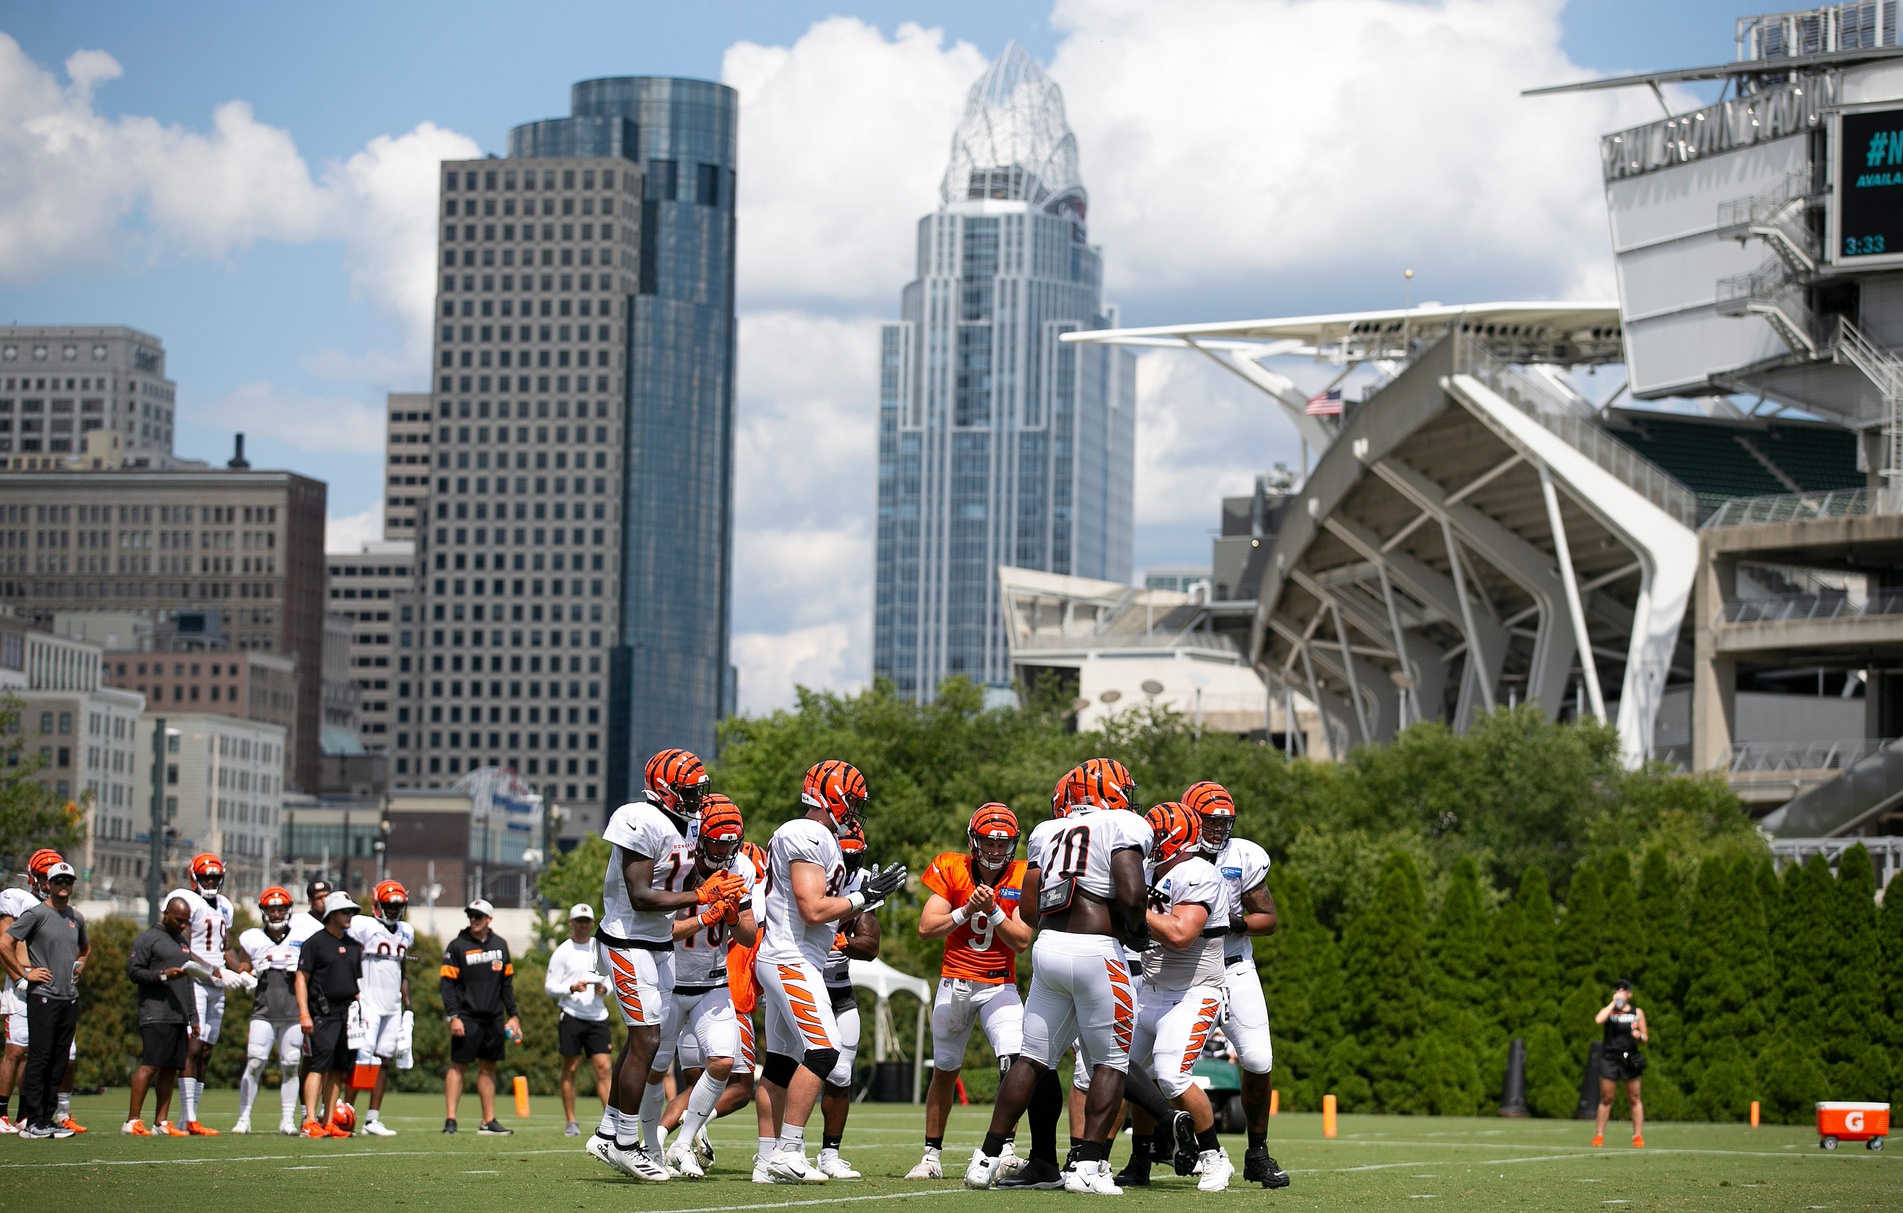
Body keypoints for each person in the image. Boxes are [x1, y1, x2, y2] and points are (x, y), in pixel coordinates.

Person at [965, 758, 1152, 1195]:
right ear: (1112, 791)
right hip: (1097, 952)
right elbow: (1131, 893)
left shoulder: (1048, 831)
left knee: (1031, 1058)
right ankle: (1087, 1166)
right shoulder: (1123, 823)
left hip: (1049, 950)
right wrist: (1136, 928)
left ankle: (987, 1158)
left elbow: (1028, 910)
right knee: (1110, 1061)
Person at [754, 760, 904, 1184]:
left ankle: (767, 1162)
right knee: (824, 1052)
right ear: (831, 797)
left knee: (782, 1063)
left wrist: (861, 898)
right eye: (852, 800)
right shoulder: (807, 832)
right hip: (790, 957)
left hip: (795, 957)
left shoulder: (821, 837)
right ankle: (788, 1151)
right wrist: (863, 898)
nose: (855, 810)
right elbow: (813, 908)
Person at [586, 748, 728, 1181]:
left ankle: (609, 1132)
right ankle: (627, 1145)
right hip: (628, 940)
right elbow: (641, 895)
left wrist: (714, 884)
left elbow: (683, 876)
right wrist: (699, 897)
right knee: (647, 1039)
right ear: (664, 789)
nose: (697, 798)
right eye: (690, 790)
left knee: (642, 1039)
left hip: (659, 942)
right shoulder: (638, 817)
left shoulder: (687, 821)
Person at [906, 803, 1032, 1181]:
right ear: (974, 840)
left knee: (1013, 1061)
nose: (995, 850)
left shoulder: (1025, 874)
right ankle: (931, 1156)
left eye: (1003, 843)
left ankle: (1006, 1151)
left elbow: (1022, 939)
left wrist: (993, 912)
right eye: (988, 842)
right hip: (955, 982)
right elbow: (927, 928)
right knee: (945, 1071)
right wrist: (965, 911)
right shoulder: (950, 866)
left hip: (999, 985)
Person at [1112, 803, 1232, 1191]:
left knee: (1170, 1074)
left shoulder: (1198, 872)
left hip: (1195, 991)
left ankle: (1214, 1157)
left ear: (1169, 839)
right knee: (1124, 1071)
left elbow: (1181, 934)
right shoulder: (1151, 872)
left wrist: (1133, 909)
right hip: (1152, 989)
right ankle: (1140, 1159)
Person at [1183, 780, 1289, 1188]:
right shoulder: (1174, 850)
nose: (1217, 829)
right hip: (1185, 970)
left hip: (1233, 967)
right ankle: (1143, 1152)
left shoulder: (1242, 856)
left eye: (1224, 822)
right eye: (1209, 821)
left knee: (1259, 1061)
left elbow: (1269, 919)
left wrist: (1234, 922)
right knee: (1154, 1062)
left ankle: (1257, 1153)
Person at [646, 795, 756, 1177]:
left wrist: (730, 910)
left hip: (713, 982)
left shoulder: (741, 866)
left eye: (731, 843)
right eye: (717, 842)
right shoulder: (678, 863)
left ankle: (683, 1143)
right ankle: (644, 1144)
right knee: (654, 1069)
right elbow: (659, 930)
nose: (724, 851)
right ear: (698, 838)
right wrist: (706, 914)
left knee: (724, 1061)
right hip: (669, 980)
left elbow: (746, 934)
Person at [4, 860, 87, 1139]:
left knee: (59, 1059)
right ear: (48, 885)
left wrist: (80, 966)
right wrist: (23, 976)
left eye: (68, 881)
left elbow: (85, 949)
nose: (64, 886)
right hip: (43, 997)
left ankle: (47, 1119)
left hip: (68, 997)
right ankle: (33, 1119)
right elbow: (4, 943)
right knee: (40, 1058)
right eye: (58, 881)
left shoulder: (76, 917)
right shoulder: (36, 913)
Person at [164, 853, 244, 1135]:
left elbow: (227, 948)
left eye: (214, 877)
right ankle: (188, 1115)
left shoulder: (224, 905)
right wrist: (217, 971)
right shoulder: (187, 901)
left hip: (216, 984)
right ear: (194, 877)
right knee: (193, 1045)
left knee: (207, 1050)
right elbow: (184, 950)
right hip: (195, 980)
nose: (211, 881)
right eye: (206, 876)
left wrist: (242, 971)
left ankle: (190, 1117)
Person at [816, 820, 878, 1180]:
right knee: (790, 1067)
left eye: (857, 857)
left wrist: (844, 943)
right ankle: (779, 1149)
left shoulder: (861, 880)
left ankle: (829, 1154)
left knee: (840, 1072)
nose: (851, 865)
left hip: (838, 988)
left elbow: (870, 946)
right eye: (845, 856)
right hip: (800, 982)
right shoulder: (809, 868)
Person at [440, 898, 521, 1136]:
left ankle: (488, 1121)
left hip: (493, 1018)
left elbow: (507, 986)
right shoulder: (457, 946)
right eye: (470, 916)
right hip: (466, 1017)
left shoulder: (501, 945)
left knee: (489, 1068)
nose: (473, 920)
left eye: (478, 916)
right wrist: (453, 1016)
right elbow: (447, 985)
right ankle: (451, 1120)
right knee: (459, 1066)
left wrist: (513, 1016)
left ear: (489, 919)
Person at [234, 886, 304, 1135]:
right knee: (254, 1062)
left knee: (291, 1064)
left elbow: (313, 973)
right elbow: (243, 965)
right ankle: (244, 1118)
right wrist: (250, 973)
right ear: (264, 911)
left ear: (289, 910)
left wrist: (301, 968)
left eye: (281, 909)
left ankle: (287, 1120)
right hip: (263, 1009)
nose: (276, 914)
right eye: (272, 909)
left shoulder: (301, 937)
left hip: (293, 1011)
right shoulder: (253, 938)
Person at [125, 895, 198, 1135]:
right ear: (165, 913)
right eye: (178, 920)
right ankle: (132, 1121)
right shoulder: (148, 939)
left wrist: (193, 1017)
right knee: (151, 1065)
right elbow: (134, 972)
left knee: (170, 1069)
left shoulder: (182, 942)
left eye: (186, 921)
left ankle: (161, 1122)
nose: (182, 925)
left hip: (178, 1016)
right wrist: (163, 975)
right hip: (155, 1012)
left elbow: (188, 983)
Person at [346, 880, 413, 1136]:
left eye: (397, 906)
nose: (394, 910)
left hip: (392, 1005)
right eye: (389, 905)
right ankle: (347, 1114)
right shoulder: (363, 925)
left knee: (384, 1060)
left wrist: (408, 1008)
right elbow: (349, 957)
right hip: (368, 1002)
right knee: (363, 1060)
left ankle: (372, 1119)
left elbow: (403, 970)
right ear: (377, 904)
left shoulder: (406, 931)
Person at [0, 850, 60, 1133]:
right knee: (15, 1050)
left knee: (36, 1053)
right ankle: (0, 1113)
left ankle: (26, 1114)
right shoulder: (16, 898)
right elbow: (4, 944)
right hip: (22, 983)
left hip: (47, 986)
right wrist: (22, 977)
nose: (49, 884)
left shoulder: (58, 906)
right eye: (45, 878)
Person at [296, 890, 362, 1138]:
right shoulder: (315, 943)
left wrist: (360, 1014)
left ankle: (329, 1120)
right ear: (332, 914)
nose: (350, 916)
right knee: (318, 1065)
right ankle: (310, 1120)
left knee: (338, 1069)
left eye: (352, 912)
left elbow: (355, 984)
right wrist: (304, 1013)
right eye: (346, 912)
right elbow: (301, 979)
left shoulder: (354, 946)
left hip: (348, 1014)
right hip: (323, 1013)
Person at [546, 903, 612, 1137]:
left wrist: (605, 989)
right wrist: (571, 988)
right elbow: (550, 986)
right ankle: (571, 1121)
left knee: (604, 1067)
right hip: (572, 1015)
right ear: (571, 923)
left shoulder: (600, 947)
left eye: (587, 921)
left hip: (597, 1016)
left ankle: (609, 1121)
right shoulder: (563, 951)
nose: (583, 926)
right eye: (579, 921)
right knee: (570, 1068)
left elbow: (612, 977)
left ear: (592, 924)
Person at [1592, 979, 1648, 1149]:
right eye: (1617, 989)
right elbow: (1598, 1019)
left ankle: (1637, 1136)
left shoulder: (1636, 1012)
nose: (1621, 992)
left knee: (1634, 1098)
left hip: (1630, 1059)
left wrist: (1640, 1036)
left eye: (1624, 990)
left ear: (1630, 994)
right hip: (1610, 1058)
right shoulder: (1610, 1011)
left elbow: (1646, 1038)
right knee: (1606, 1097)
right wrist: (1613, 1003)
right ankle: (1599, 1135)